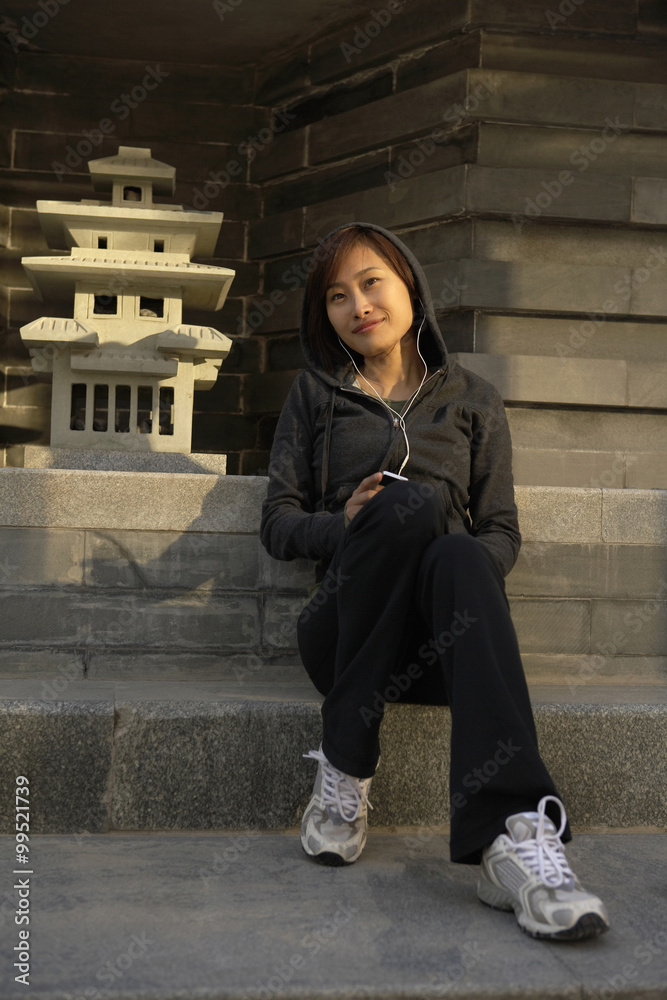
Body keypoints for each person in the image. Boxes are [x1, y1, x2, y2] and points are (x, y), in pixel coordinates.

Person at [260, 222, 609, 942]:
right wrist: (345, 525)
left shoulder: (475, 399)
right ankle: (347, 759)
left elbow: (501, 531)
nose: (356, 304)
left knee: (458, 555)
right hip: (345, 636)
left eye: (370, 282)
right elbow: (278, 521)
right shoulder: (314, 396)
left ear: (409, 284)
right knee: (402, 506)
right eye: (335, 296)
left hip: (446, 647)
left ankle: (512, 839)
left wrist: (465, 574)